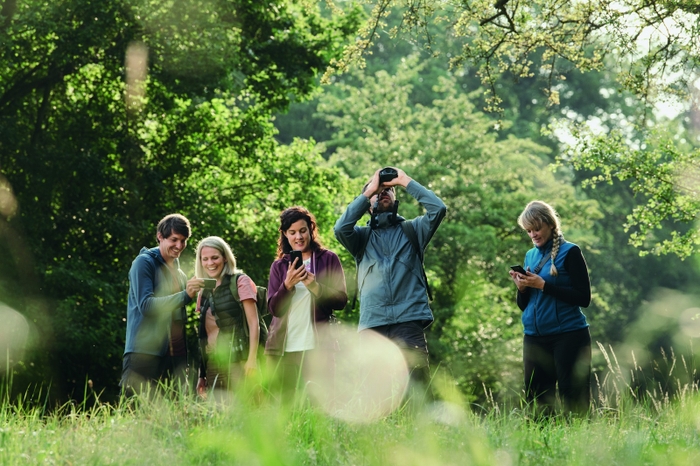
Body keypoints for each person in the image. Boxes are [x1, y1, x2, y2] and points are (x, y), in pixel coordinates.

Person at [334, 167, 447, 392]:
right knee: (374, 389)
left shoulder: (413, 230)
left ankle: (417, 427)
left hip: (409, 319)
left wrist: (405, 181)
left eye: (389, 190)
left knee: (416, 386)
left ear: (396, 197)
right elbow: (340, 228)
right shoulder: (360, 238)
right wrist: (369, 191)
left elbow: (438, 209)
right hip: (373, 323)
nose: (383, 193)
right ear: (367, 204)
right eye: (378, 191)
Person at [509, 200, 592, 415]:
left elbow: (584, 298)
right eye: (529, 231)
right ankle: (541, 448)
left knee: (572, 399)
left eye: (537, 228)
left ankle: (578, 446)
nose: (533, 234)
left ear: (550, 225)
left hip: (569, 335)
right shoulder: (530, 255)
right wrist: (522, 289)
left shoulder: (571, 252)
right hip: (535, 338)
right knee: (536, 401)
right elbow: (524, 305)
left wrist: (544, 285)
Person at [265, 206, 347, 400]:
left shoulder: (328, 259)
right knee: (285, 406)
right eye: (292, 233)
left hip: (318, 347)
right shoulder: (279, 266)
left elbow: (341, 300)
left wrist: (315, 286)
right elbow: (274, 309)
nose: (298, 237)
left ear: (311, 229)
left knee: (321, 404)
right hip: (284, 348)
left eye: (302, 231)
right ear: (285, 234)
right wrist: (287, 285)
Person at [121, 213, 204, 394]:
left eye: (183, 241)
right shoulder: (144, 263)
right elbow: (146, 306)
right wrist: (185, 295)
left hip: (175, 358)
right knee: (132, 413)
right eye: (174, 240)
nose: (179, 246)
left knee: (172, 418)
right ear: (160, 236)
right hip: (144, 353)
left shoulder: (180, 274)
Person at [194, 236, 262, 396]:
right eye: (205, 259)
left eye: (215, 257)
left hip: (239, 362)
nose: (210, 263)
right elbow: (203, 336)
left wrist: (252, 359)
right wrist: (201, 374)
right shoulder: (204, 289)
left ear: (225, 257)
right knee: (218, 416)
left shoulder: (240, 281)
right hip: (213, 364)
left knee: (245, 412)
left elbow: (254, 324)